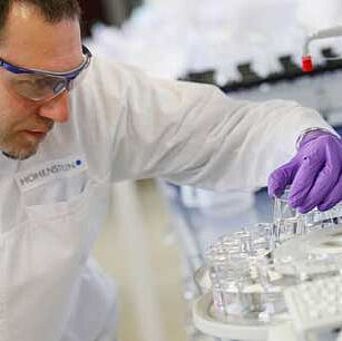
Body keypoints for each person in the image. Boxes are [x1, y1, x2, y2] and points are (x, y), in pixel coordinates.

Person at [0, 1, 341, 340]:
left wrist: (303, 138)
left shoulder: (90, 99)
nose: (61, 112)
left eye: (69, 79)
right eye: (34, 85)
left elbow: (225, 130)